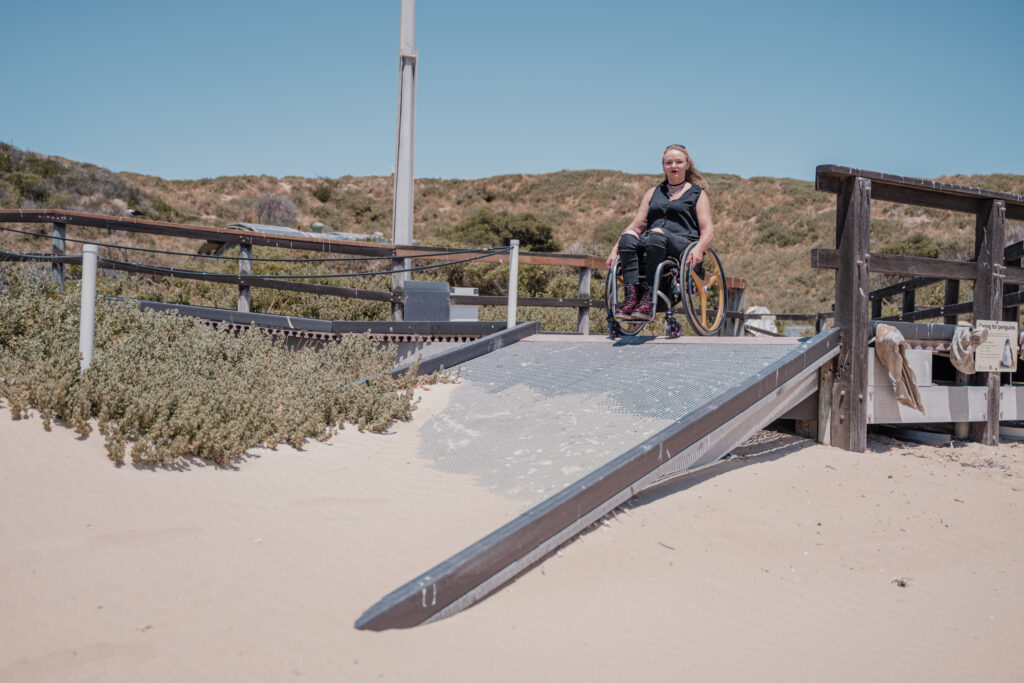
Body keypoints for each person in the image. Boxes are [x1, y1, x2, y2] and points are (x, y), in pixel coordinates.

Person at [605, 144, 715, 319]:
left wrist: (700, 248)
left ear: (687, 164)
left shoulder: (697, 193)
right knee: (628, 237)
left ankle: (649, 297)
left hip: (683, 244)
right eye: (669, 162)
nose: (674, 166)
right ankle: (631, 298)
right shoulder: (653, 192)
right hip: (654, 241)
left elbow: (708, 229)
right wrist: (614, 249)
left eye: (678, 162)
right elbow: (636, 224)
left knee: (656, 233)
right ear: (663, 166)